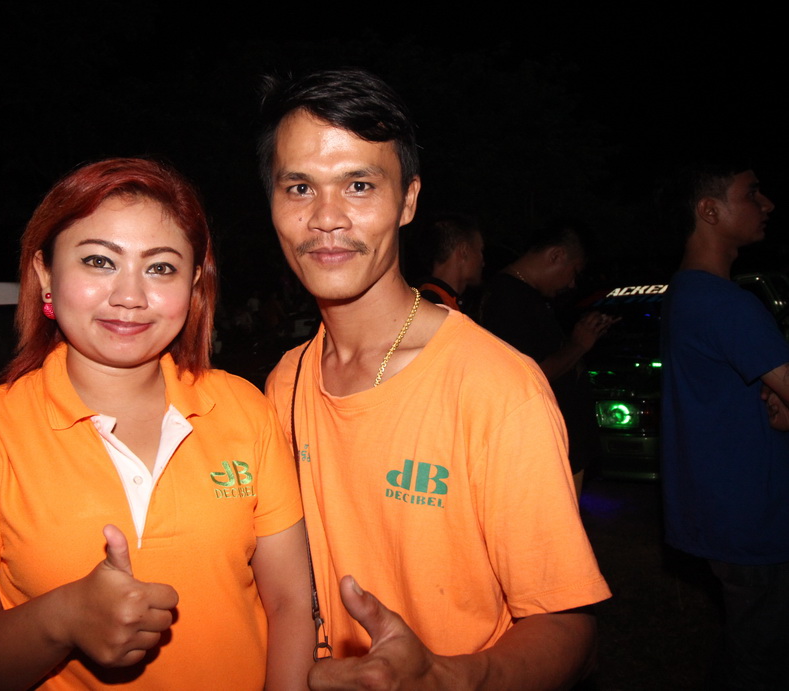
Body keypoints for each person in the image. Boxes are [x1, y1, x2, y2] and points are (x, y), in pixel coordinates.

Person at [0, 158, 312, 690]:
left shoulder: (244, 409)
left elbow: (290, 603)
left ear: (194, 284)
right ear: (46, 273)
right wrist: (60, 619)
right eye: (99, 261)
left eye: (160, 268)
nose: (129, 297)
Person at [258, 68, 611, 689]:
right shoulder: (285, 383)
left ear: (408, 200)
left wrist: (447, 678)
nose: (326, 218)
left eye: (359, 185)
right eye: (300, 188)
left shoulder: (497, 387)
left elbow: (568, 626)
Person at [659, 161, 789, 689]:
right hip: (752, 517)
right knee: (765, 662)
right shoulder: (725, 303)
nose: (767, 204)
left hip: (720, 511)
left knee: (746, 648)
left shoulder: (685, 294)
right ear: (709, 211)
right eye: (753, 193)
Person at [477, 224, 616, 496]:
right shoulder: (508, 299)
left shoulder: (523, 296)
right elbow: (526, 375)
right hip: (542, 456)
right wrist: (579, 344)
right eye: (574, 272)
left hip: (556, 453)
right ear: (556, 256)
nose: (572, 284)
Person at [417, 213, 485, 311]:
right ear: (464, 251)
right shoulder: (432, 304)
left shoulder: (442, 299)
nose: (483, 263)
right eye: (480, 250)